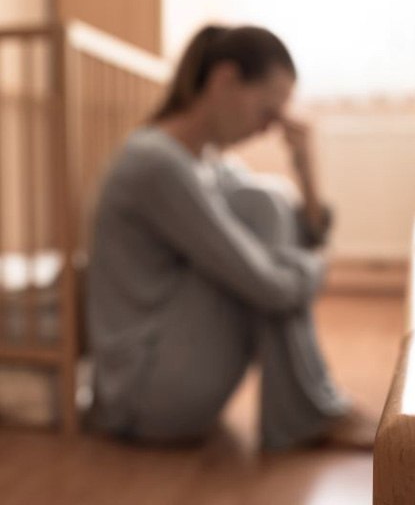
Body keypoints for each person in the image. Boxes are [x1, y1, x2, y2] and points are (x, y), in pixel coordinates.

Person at [87, 24, 377, 451]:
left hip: (170, 379)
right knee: (263, 210)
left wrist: (306, 167)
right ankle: (311, 412)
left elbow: (301, 235)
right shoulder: (155, 163)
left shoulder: (206, 162)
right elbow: (268, 286)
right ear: (225, 79)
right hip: (142, 398)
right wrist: (317, 269)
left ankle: (312, 410)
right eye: (267, 111)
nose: (267, 129)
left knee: (267, 201)